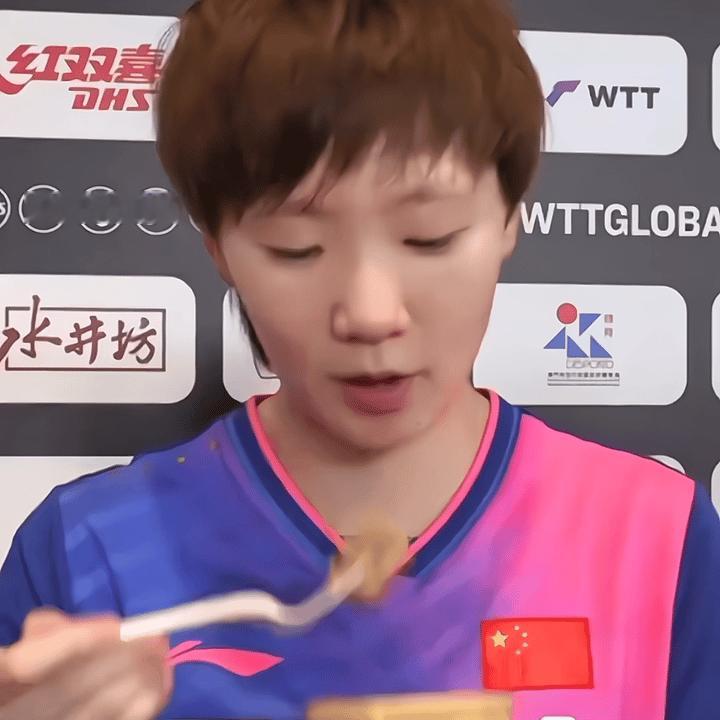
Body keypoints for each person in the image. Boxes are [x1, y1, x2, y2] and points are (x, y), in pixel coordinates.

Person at [0, 1, 718, 718]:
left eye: (430, 237)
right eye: (296, 249)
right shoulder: (85, 555)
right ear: (217, 246)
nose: (371, 313)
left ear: (510, 216)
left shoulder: (658, 539)